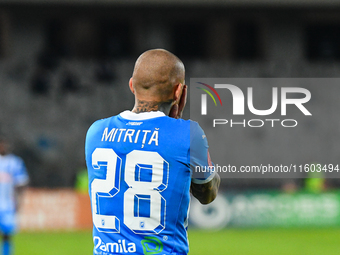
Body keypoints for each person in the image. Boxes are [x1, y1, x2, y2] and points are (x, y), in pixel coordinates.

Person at [85, 49, 220, 255]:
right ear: (178, 92)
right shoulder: (187, 134)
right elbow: (207, 194)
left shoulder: (96, 131)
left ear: (131, 85)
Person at [0, 136, 29, 255]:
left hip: (7, 204)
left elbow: (21, 183)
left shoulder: (15, 162)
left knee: (7, 234)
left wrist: (19, 200)